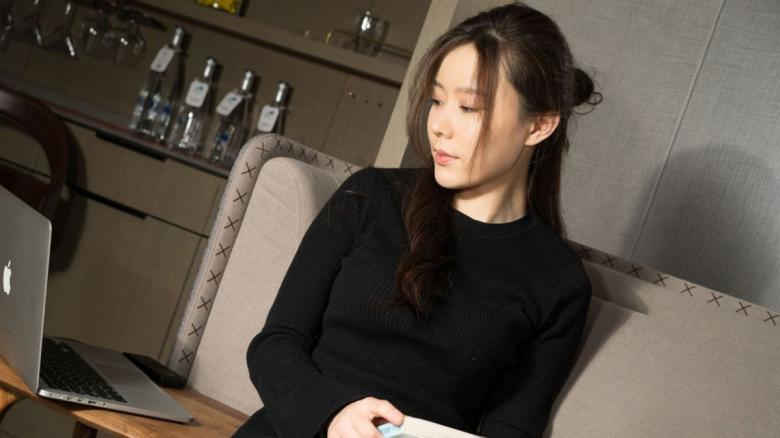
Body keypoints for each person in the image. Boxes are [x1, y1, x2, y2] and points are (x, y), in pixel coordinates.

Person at [233, 2, 603, 437]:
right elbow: (276, 344)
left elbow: (512, 427)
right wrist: (333, 415)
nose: (440, 126)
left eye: (468, 107)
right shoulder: (369, 197)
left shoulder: (558, 282)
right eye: (437, 100)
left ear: (538, 126)